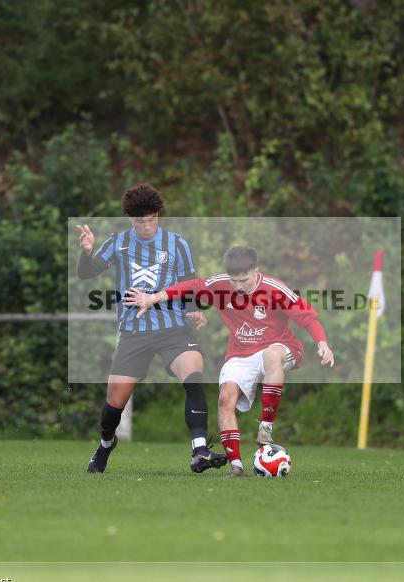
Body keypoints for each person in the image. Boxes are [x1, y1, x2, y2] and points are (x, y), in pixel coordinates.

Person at [124, 245, 335, 477]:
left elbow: (307, 317)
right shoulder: (220, 284)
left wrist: (322, 343)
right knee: (225, 399)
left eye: (244, 279)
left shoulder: (274, 288)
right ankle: (236, 466)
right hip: (240, 353)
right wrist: (152, 298)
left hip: (280, 347)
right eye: (234, 280)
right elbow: (188, 287)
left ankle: (265, 428)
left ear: (256, 271)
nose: (238, 286)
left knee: (271, 355)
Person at [75, 183, 227, 474]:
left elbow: (190, 282)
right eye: (140, 220)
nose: (146, 225)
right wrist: (87, 252)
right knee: (114, 404)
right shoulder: (117, 242)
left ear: (158, 215)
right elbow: (87, 273)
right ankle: (106, 444)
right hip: (135, 332)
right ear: (130, 219)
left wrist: (194, 308)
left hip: (174, 329)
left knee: (194, 374)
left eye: (152, 218)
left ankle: (199, 451)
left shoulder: (177, 243)